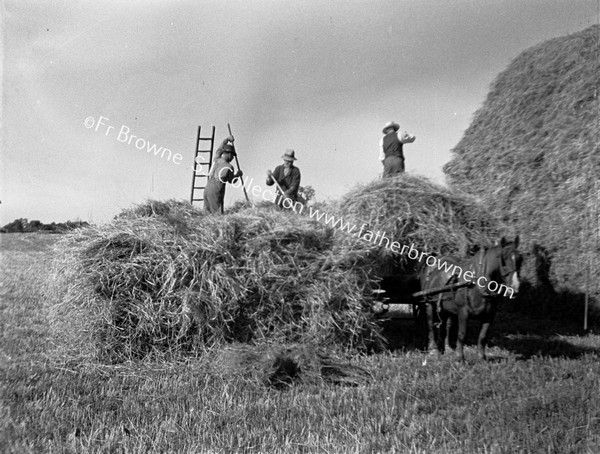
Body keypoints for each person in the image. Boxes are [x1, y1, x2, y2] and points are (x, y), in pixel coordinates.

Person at [203, 143, 242, 214]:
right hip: (216, 191)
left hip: (207, 189)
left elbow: (219, 149)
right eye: (232, 155)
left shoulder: (217, 160)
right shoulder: (229, 166)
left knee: (207, 214)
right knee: (217, 214)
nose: (233, 158)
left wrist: (226, 140)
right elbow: (232, 181)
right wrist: (238, 175)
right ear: (229, 154)